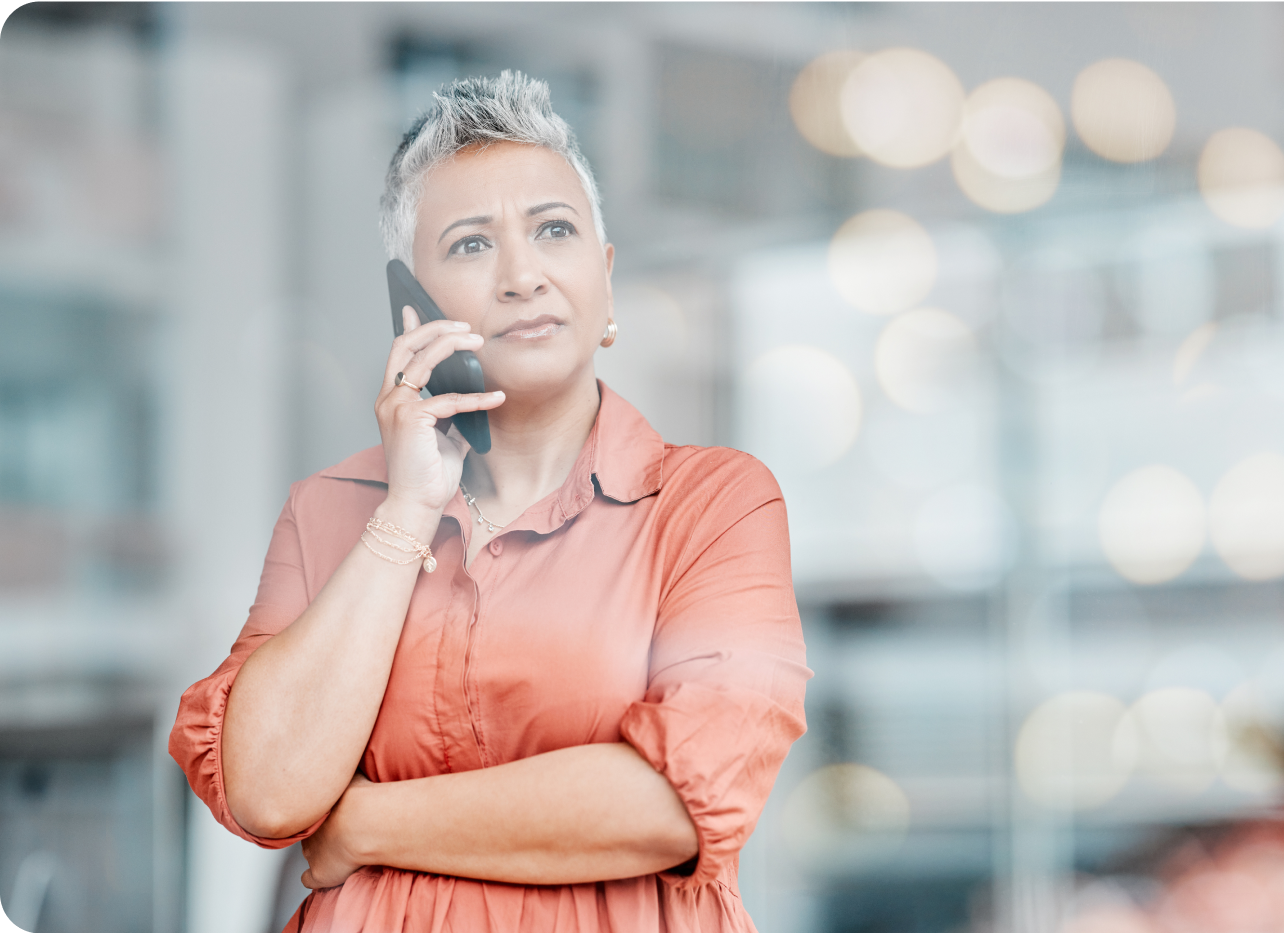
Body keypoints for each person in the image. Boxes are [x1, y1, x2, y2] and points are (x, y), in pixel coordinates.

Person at [169, 70, 810, 932]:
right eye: (472, 244)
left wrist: (363, 822)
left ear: (607, 283)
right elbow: (269, 790)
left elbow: (673, 804)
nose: (523, 275)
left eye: (554, 230)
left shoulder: (714, 504)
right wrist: (404, 513)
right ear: (412, 304)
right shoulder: (329, 512)